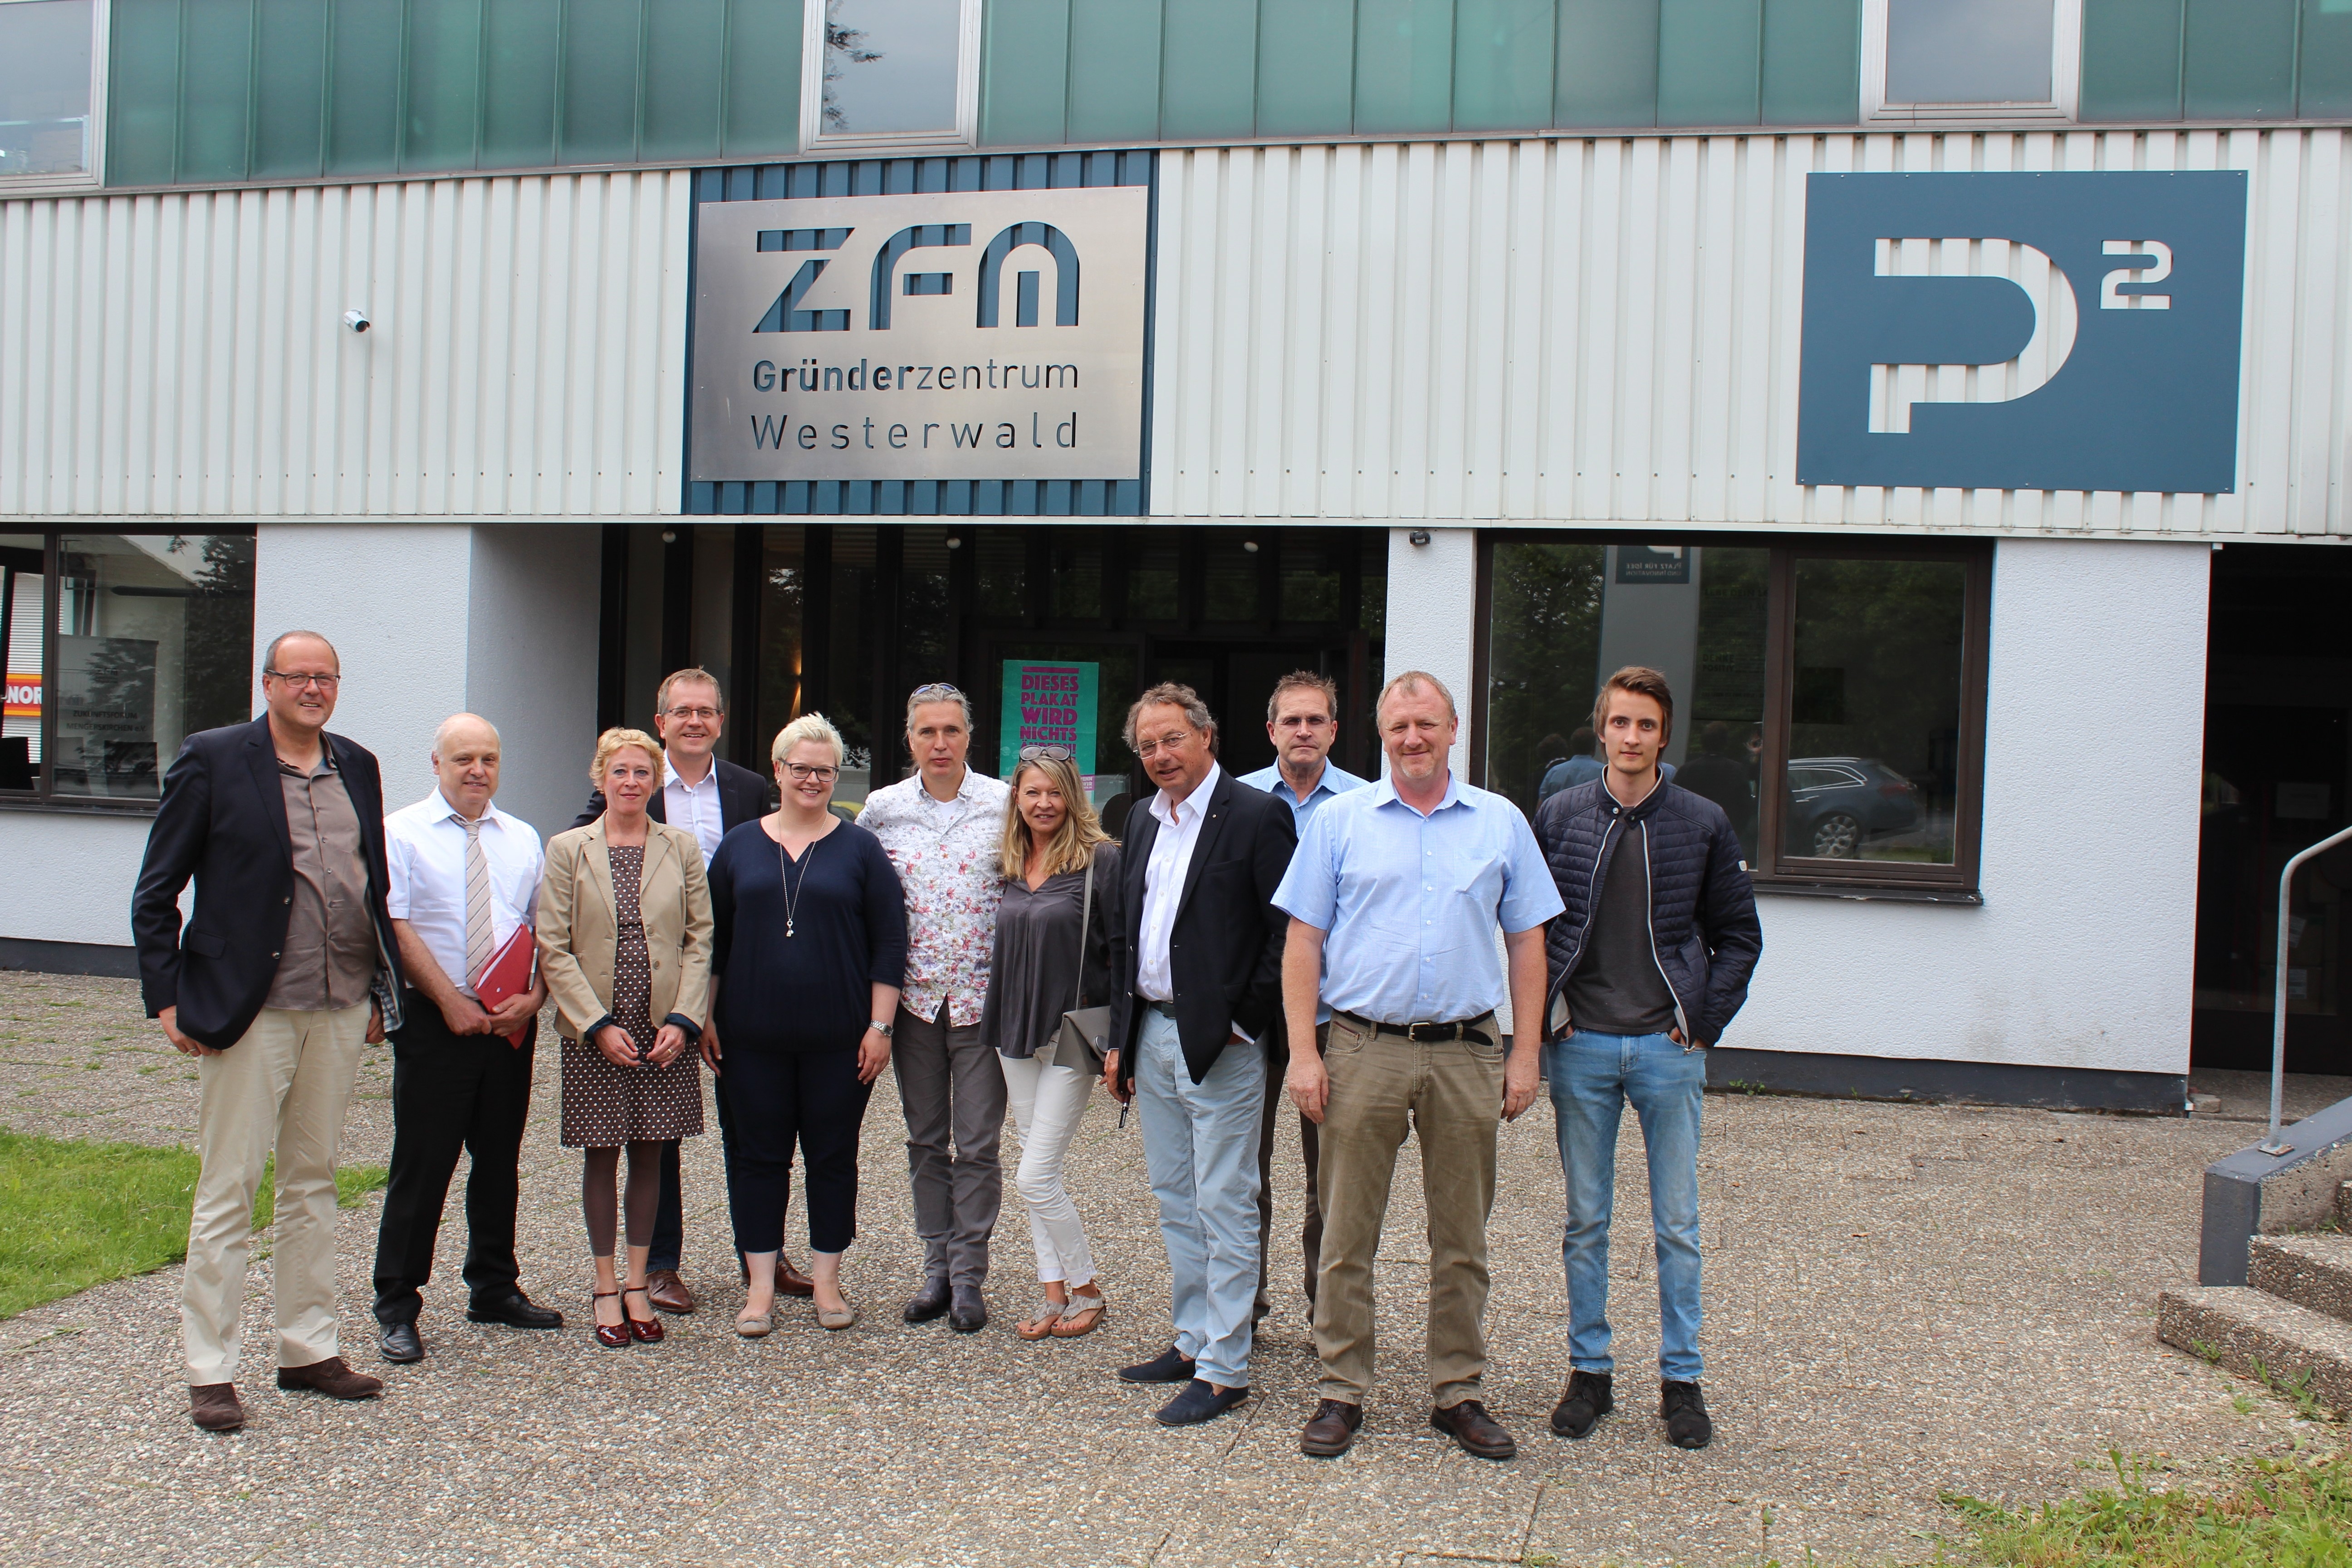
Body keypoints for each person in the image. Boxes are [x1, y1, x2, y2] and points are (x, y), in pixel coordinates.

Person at [1277, 671, 1563, 1462]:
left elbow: (1527, 942)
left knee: (1462, 1237)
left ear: (1453, 729)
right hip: (1362, 1047)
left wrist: (1525, 1052)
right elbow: (1303, 942)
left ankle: (1458, 1391)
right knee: (1345, 1232)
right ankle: (1341, 1390)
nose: (1413, 739)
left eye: (1427, 725)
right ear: (1380, 733)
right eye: (1399, 726)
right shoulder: (1340, 823)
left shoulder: (1499, 823)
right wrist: (1305, 1051)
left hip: (1469, 1049)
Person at [131, 630, 402, 1432]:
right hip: (248, 1009)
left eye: (327, 677)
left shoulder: (357, 765)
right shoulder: (214, 758)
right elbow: (157, 888)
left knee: (313, 1184)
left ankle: (307, 1347)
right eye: (299, 676)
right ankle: (209, 1368)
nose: (314, 689)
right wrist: (168, 998)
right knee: (229, 1190)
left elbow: (369, 885)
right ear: (269, 682)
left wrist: (381, 994)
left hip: (340, 1005)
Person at [1533, 666, 1762, 1452]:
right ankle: (1589, 1373)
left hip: (1668, 1049)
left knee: (1678, 1225)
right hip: (1583, 1047)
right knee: (1585, 1220)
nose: (1631, 738)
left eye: (1646, 726)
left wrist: (1701, 1021)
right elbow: (1528, 928)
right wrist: (1545, 1019)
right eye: (1620, 723)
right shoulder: (1560, 815)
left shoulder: (1701, 821)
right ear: (1601, 728)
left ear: (1665, 736)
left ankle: (1682, 1381)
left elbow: (1741, 937)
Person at [1102, 683, 1296, 1427]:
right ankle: (1192, 1340)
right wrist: (1120, 1037)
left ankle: (1226, 1367)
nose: (1159, 756)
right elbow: (1128, 934)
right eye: (1147, 746)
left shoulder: (1255, 814)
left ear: (1207, 737)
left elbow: (1288, 928)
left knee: (1225, 1200)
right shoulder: (1140, 819)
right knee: (1175, 1198)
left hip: (1224, 1040)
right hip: (1152, 1031)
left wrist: (1247, 1021)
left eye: (1172, 740)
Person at [572, 669, 788, 1317]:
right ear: (661, 721)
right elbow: (584, 864)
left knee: (751, 1123)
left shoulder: (752, 789)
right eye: (681, 711)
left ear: (721, 721)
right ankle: (660, 1263)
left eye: (706, 711)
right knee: (654, 1133)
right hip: (653, 985)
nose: (694, 721)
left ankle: (762, 1254)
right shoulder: (632, 783)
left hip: (742, 974)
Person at [705, 714, 907, 1335]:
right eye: (802, 768)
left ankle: (826, 1282)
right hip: (749, 1039)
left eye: (825, 770)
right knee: (758, 1158)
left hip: (839, 1041)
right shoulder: (739, 845)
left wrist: (881, 1027)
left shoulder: (861, 849)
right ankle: (761, 1287)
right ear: (779, 771)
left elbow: (890, 943)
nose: (813, 779)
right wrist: (706, 1015)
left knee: (831, 1157)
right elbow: (713, 940)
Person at [371, 715, 560, 1365]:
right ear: (436, 764)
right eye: (463, 759)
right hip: (436, 1019)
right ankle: (397, 1301)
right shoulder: (400, 833)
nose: (477, 770)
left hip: (510, 1022)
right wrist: (449, 1001)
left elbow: (540, 925)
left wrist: (535, 999)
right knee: (424, 1165)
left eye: (488, 758)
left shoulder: (523, 838)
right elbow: (395, 925)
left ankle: (494, 1287)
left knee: (499, 1160)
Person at [539, 729, 712, 1350]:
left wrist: (686, 1021)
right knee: (602, 1153)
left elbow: (700, 938)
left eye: (644, 772)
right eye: (621, 772)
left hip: (664, 1026)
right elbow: (553, 947)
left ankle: (640, 1282)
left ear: (657, 780)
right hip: (598, 1030)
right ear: (601, 777)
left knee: (651, 1154)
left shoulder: (681, 847)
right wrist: (595, 1024)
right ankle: (605, 1284)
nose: (632, 782)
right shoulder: (568, 849)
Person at [856, 683, 1011, 1332]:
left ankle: (971, 1274)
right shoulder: (881, 809)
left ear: (969, 737)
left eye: (951, 731)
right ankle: (936, 1268)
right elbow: (858, 891)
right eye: (927, 732)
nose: (940, 743)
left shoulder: (1005, 802)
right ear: (910, 738)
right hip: (914, 1001)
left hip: (984, 1002)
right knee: (925, 1141)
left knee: (976, 1143)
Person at [1235, 670, 1370, 1323]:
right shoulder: (1233, 801)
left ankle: (1327, 1306)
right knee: (1244, 1168)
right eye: (1292, 721)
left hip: (1333, 1015)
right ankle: (1245, 1301)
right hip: (1257, 1011)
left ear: (1335, 731)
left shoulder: (1367, 807)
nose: (1304, 731)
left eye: (1316, 720)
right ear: (1272, 731)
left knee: (1331, 1176)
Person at [979, 745, 1121, 1342]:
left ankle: (1086, 1288)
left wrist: (1119, 1042)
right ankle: (1052, 1293)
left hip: (1074, 1029)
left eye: (1055, 792)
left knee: (1036, 1175)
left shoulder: (1101, 861)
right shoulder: (1008, 860)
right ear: (1017, 797)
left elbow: (1121, 954)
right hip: (1013, 1025)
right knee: (1036, 1169)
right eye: (1032, 792)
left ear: (1073, 797)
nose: (1043, 803)